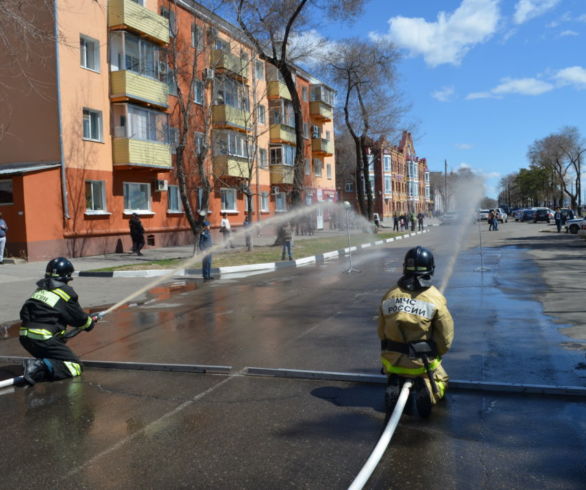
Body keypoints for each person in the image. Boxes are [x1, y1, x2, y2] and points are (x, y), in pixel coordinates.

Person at [377, 246, 454, 417]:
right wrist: (437, 353)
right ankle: (428, 389)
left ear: (405, 267)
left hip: (392, 361)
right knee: (442, 380)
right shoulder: (435, 297)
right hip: (422, 364)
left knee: (398, 370)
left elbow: (381, 331)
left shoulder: (390, 294)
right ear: (431, 269)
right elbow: (445, 337)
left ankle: (395, 381)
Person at [18, 257, 98, 385]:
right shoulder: (65, 293)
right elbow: (79, 320)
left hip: (25, 339)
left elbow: (24, 313)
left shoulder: (40, 290)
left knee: (52, 359)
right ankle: (38, 365)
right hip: (43, 339)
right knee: (75, 366)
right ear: (66, 276)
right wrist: (90, 321)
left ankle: (37, 368)